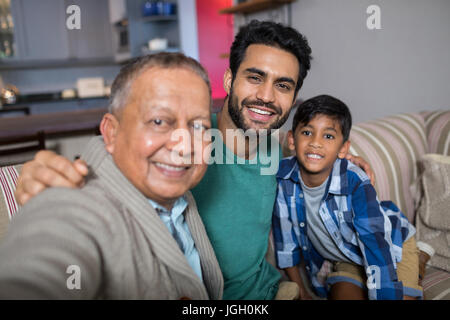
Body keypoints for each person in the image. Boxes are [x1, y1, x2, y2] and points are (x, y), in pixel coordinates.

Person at [13, 20, 374, 299]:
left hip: (273, 287)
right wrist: (56, 175)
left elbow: (306, 149)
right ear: (230, 80)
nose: (266, 97)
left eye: (282, 85)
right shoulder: (189, 147)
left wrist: (343, 162)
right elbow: (115, 155)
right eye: (255, 78)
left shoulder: (273, 145)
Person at [0, 53, 223, 299]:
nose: (184, 146)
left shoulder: (175, 188)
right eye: (159, 121)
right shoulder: (78, 207)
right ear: (111, 133)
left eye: (199, 125)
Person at [272, 95, 423, 300]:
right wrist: (301, 291)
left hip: (390, 247)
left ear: (343, 148)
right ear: (291, 139)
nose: (315, 143)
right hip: (347, 258)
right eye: (307, 132)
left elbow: (375, 247)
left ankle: (419, 257)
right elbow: (286, 242)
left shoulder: (355, 182)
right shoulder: (283, 178)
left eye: (328, 136)